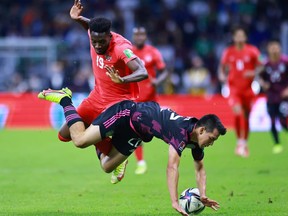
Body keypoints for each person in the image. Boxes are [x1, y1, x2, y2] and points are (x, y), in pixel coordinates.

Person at [38, 87, 226, 216]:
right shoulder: (180, 132)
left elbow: (200, 168)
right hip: (127, 114)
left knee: (106, 166)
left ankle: (93, 128)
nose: (211, 143)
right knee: (78, 140)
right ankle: (65, 99)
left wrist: (202, 194)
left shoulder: (196, 141)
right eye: (212, 138)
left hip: (138, 132)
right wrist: (174, 201)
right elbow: (172, 167)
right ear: (201, 130)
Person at [62, 0, 148, 184]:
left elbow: (142, 71)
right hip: (96, 97)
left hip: (116, 104)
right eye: (94, 42)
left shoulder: (121, 48)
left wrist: (122, 79)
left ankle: (123, 145)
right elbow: (90, 25)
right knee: (64, 135)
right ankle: (118, 148)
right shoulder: (94, 34)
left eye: (102, 42)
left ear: (110, 37)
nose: (98, 46)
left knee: (103, 161)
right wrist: (76, 18)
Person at [218, 26, 262, 157]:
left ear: (245, 38)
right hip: (234, 89)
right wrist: (221, 75)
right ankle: (239, 142)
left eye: (242, 35)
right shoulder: (228, 52)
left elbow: (261, 66)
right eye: (237, 36)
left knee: (247, 116)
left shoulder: (253, 51)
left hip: (248, 89)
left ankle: (245, 143)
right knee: (237, 113)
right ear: (233, 38)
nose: (239, 38)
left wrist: (254, 72)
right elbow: (222, 67)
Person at [132, 27, 169, 175]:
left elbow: (164, 71)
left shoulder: (153, 52)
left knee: (151, 131)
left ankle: (175, 150)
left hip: (151, 100)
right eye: (137, 35)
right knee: (135, 131)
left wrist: (157, 81)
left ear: (145, 36)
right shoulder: (129, 52)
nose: (139, 37)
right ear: (134, 37)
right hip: (134, 99)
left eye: (142, 34)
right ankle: (141, 162)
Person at [259, 40, 288, 154]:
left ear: (280, 48)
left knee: (283, 121)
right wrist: (263, 83)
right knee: (271, 121)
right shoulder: (265, 64)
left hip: (284, 97)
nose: (274, 49)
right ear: (268, 50)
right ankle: (277, 144)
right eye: (272, 47)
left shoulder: (285, 62)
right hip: (271, 97)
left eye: (276, 47)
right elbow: (260, 77)